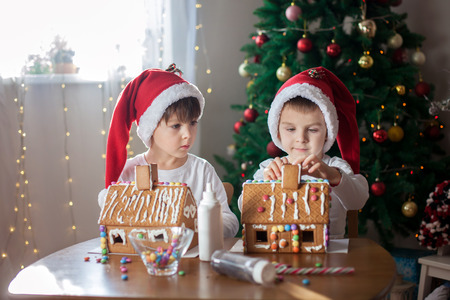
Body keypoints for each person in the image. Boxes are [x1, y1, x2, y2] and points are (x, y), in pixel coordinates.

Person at [99, 64, 239, 238]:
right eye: (176, 126)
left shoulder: (202, 171)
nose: (187, 134)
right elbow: (113, 226)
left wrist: (201, 231)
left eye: (193, 123)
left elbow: (229, 221)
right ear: (151, 128)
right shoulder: (128, 174)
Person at [238, 66, 369, 239]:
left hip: (330, 254)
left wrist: (334, 177)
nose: (301, 138)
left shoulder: (334, 167)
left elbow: (358, 200)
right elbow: (243, 207)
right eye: (291, 129)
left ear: (327, 132)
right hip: (280, 249)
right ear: (277, 131)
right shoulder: (269, 168)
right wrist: (264, 184)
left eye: (313, 130)